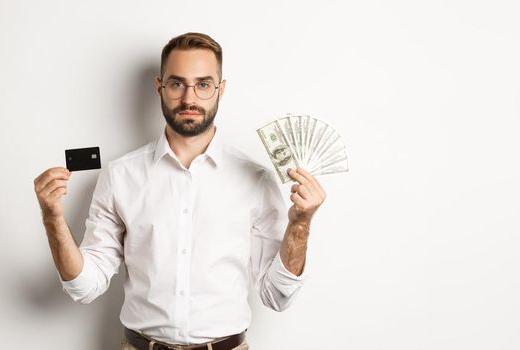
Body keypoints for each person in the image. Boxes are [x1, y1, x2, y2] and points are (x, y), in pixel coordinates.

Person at [33, 32, 327, 350]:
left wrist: (300, 224)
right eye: (177, 84)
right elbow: (84, 287)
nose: (189, 99)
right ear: (160, 87)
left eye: (203, 84)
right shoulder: (120, 175)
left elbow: (278, 295)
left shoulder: (256, 179)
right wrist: (52, 218)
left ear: (220, 90)